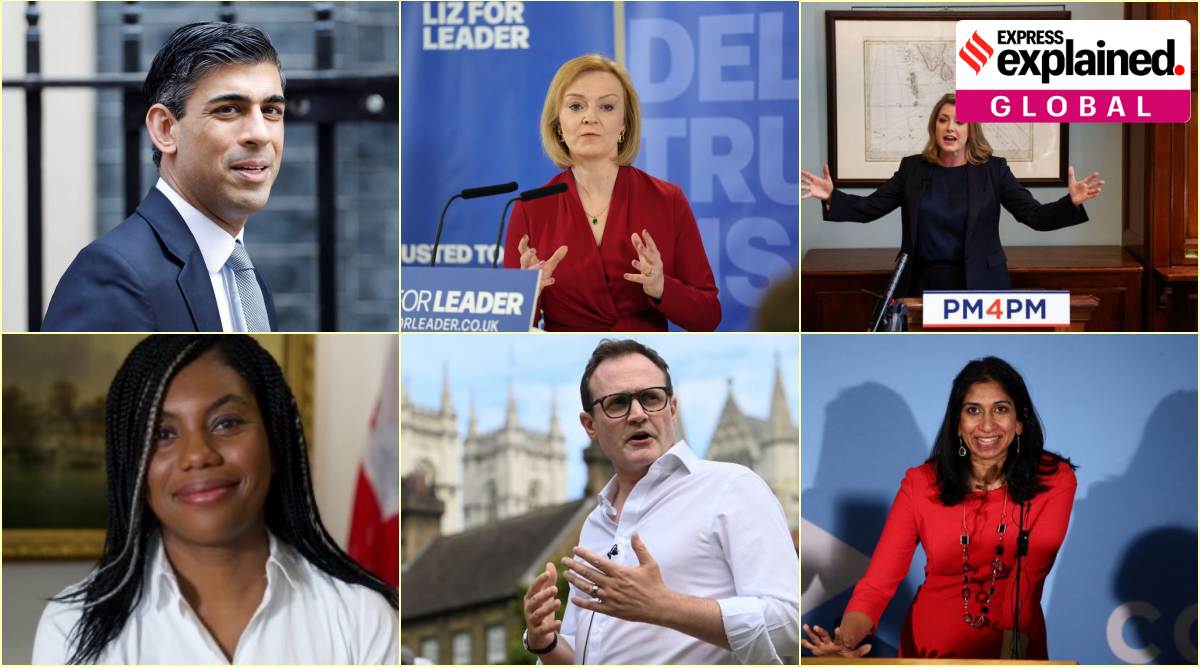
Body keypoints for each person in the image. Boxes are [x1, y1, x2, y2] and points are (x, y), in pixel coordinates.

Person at [31, 335, 397, 664]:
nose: (198, 454)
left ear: (275, 439)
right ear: (133, 466)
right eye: (163, 433)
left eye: (226, 423)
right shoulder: (71, 626)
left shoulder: (360, 616)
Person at [521, 339, 797, 663]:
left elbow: (789, 624)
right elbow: (586, 656)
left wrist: (664, 605)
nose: (638, 414)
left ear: (673, 409)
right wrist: (546, 642)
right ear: (589, 425)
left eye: (651, 398)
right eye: (618, 403)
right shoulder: (595, 524)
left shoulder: (732, 488)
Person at [802, 356, 1077, 660]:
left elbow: (1028, 579)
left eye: (1000, 409)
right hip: (929, 651)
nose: (987, 424)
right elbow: (878, 583)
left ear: (1020, 420)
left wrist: (1010, 659)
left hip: (1015, 646)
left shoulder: (1053, 479)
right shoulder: (921, 484)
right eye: (973, 410)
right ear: (958, 424)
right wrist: (847, 640)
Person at [43, 23, 285, 331]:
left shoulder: (248, 281)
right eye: (228, 109)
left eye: (271, 111)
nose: (260, 134)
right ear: (165, 129)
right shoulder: (113, 274)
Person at [800, 93, 1105, 295]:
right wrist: (830, 196)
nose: (951, 127)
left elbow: (1034, 216)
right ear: (934, 126)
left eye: (959, 121)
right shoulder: (913, 169)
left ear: (971, 130)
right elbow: (870, 208)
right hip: (924, 284)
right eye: (943, 119)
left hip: (982, 285)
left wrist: (1071, 203)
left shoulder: (994, 170)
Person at [503, 55, 721, 331]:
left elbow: (708, 316)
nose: (590, 117)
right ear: (558, 123)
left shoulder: (667, 199)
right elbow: (511, 329)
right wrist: (527, 297)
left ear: (624, 123)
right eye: (575, 106)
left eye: (606, 107)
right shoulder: (530, 209)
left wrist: (661, 287)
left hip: (643, 355)